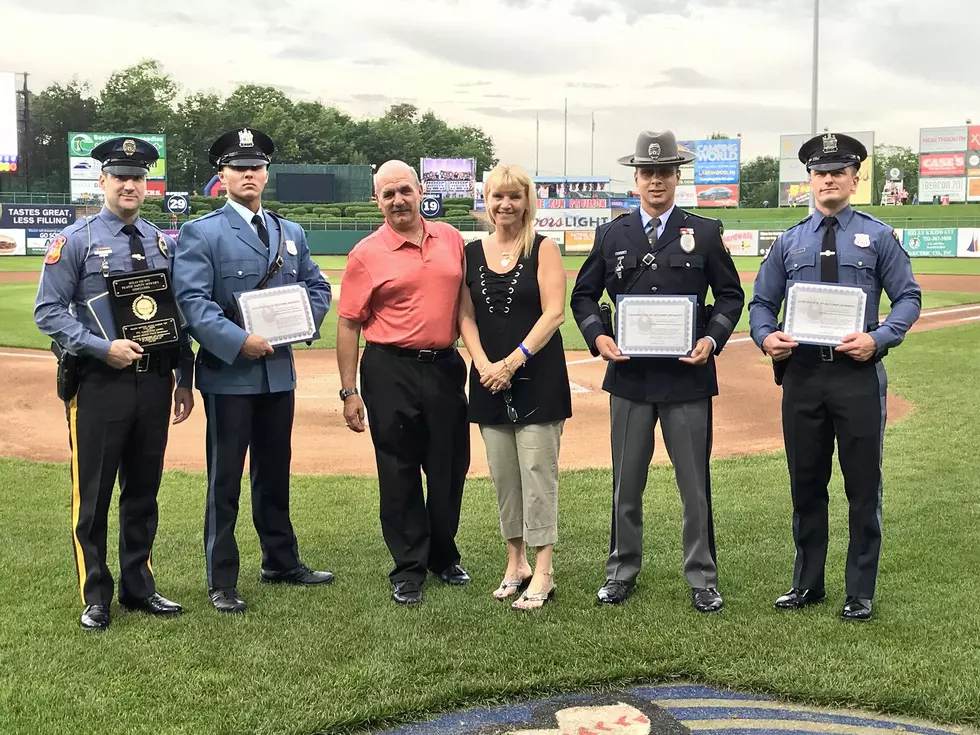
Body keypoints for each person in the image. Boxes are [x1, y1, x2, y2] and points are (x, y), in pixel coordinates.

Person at [748, 133, 921, 621]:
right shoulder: (789, 241)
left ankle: (860, 591)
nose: (829, 179)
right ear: (809, 180)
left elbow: (908, 297)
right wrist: (766, 337)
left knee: (863, 485)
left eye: (839, 171)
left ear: (854, 178)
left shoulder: (878, 236)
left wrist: (880, 337)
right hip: (803, 376)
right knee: (806, 483)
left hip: (856, 375)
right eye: (821, 172)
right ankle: (807, 584)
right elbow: (762, 304)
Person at [570, 130, 745, 613]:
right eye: (648, 173)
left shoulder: (704, 232)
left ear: (677, 176)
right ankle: (622, 570)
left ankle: (703, 577)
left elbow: (731, 296)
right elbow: (584, 295)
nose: (656, 181)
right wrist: (598, 337)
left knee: (694, 485)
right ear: (636, 178)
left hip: (687, 379)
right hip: (629, 379)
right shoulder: (612, 233)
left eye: (664, 172)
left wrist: (711, 339)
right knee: (626, 483)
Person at [34, 137, 195, 631]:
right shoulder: (76, 240)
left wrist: (183, 378)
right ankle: (95, 593)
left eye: (138, 177)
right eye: (120, 176)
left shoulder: (161, 241)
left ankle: (139, 585)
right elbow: (48, 311)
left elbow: (177, 316)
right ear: (101, 181)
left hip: (154, 383)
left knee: (144, 489)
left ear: (148, 185)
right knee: (96, 492)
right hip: (100, 382)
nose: (130, 184)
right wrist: (102, 348)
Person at [172, 127, 334, 614]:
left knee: (274, 473)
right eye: (238, 167)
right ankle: (221, 579)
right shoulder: (202, 232)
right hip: (230, 375)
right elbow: (193, 303)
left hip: (277, 373)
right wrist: (239, 340)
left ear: (266, 173)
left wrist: (301, 324)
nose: (249, 174)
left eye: (257, 166)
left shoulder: (291, 232)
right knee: (225, 479)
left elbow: (317, 287)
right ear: (221, 176)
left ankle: (280, 561)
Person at [337, 160, 470, 606]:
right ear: (377, 200)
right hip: (390, 368)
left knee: (450, 466)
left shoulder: (451, 238)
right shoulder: (365, 253)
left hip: (445, 365)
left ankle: (444, 554)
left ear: (420, 191)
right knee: (398, 470)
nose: (398, 200)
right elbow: (348, 324)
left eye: (405, 191)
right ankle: (409, 566)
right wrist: (349, 390)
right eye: (388, 194)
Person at [458, 164, 571, 611]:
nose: (505, 205)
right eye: (497, 197)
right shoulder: (470, 252)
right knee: (505, 478)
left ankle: (543, 571)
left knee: (538, 476)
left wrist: (511, 362)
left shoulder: (543, 249)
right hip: (487, 380)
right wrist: (485, 364)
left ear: (527, 201)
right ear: (486, 201)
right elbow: (464, 316)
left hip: (536, 378)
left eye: (514, 197)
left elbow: (554, 313)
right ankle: (516, 563)